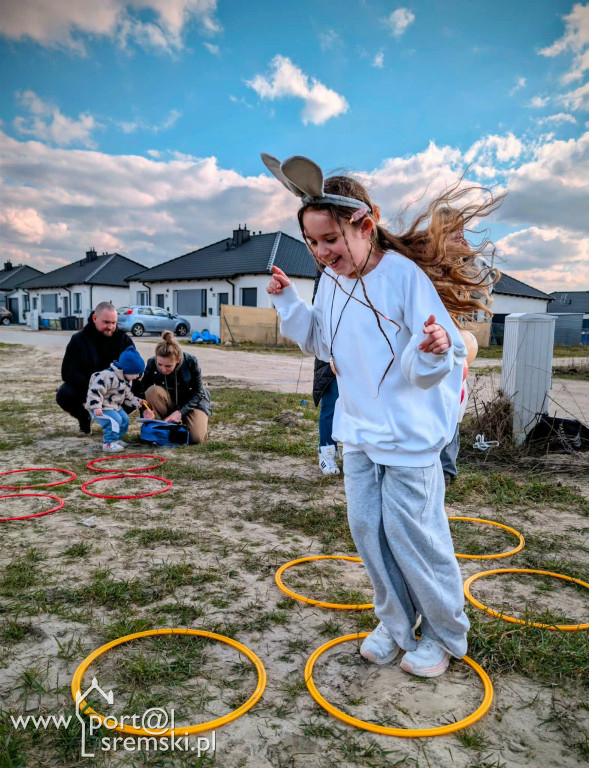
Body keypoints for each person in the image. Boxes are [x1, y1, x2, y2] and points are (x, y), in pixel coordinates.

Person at [263, 152, 499, 678]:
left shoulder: (403, 277)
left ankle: (444, 634)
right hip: (360, 432)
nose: (322, 252)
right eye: (312, 243)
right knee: (368, 527)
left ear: (364, 226)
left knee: (414, 534)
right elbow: (323, 345)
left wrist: (435, 349)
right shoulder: (330, 281)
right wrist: (290, 303)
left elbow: (431, 364)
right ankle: (395, 625)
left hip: (410, 435)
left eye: (330, 239)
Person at [57, 302, 135, 434]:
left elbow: (134, 369)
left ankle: (113, 422)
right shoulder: (78, 340)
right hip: (88, 388)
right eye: (106, 322)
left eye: (114, 323)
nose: (110, 327)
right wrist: (94, 387)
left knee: (138, 390)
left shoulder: (123, 340)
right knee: (64, 394)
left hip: (115, 390)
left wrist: (116, 386)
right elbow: (68, 372)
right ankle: (85, 418)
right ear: (94, 318)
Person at [141, 331, 211, 444]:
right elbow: (142, 390)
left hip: (192, 402)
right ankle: (161, 428)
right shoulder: (151, 363)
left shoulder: (191, 362)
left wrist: (180, 413)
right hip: (168, 400)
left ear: (177, 360)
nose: (163, 369)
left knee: (196, 438)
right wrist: (145, 410)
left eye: (168, 366)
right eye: (160, 364)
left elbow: (198, 393)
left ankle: (194, 424)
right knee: (151, 391)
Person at [85, 346, 148, 452]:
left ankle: (116, 439)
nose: (137, 376)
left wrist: (138, 402)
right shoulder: (107, 376)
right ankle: (108, 443)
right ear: (127, 369)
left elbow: (128, 396)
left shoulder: (127, 379)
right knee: (115, 420)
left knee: (124, 420)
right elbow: (95, 391)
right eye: (136, 373)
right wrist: (96, 406)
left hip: (115, 406)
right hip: (103, 406)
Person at [313, 270, 341, 475]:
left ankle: (345, 451)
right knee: (330, 405)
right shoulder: (325, 275)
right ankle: (326, 453)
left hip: (356, 353)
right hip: (329, 356)